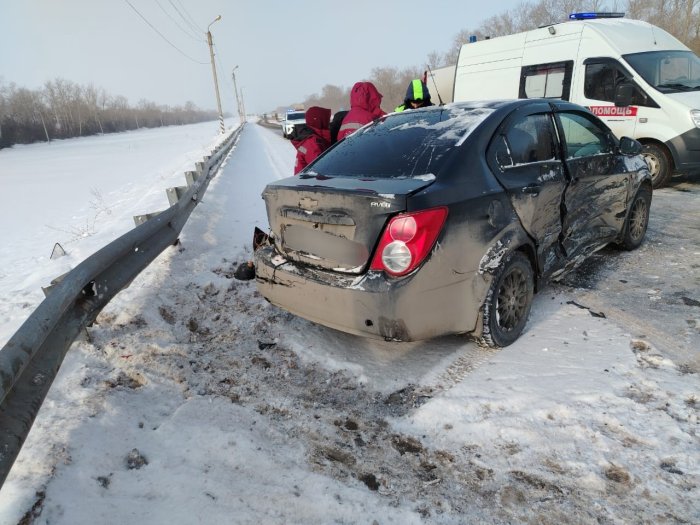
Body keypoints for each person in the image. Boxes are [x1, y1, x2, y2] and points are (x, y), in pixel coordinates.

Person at [290, 106, 331, 175]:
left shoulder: (309, 138)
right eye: (327, 120)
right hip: (309, 183)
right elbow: (320, 170)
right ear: (320, 121)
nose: (329, 122)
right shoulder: (313, 143)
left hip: (303, 181)